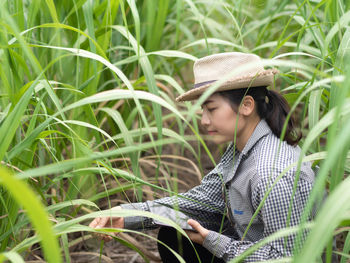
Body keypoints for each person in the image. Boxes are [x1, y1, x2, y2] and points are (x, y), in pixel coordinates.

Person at [89, 52, 315, 262]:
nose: (204, 120)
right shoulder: (241, 149)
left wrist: (213, 241)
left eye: (212, 109)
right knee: (175, 235)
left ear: (246, 105)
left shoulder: (272, 173)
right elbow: (200, 201)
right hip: (251, 247)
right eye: (202, 110)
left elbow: (288, 258)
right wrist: (127, 215)